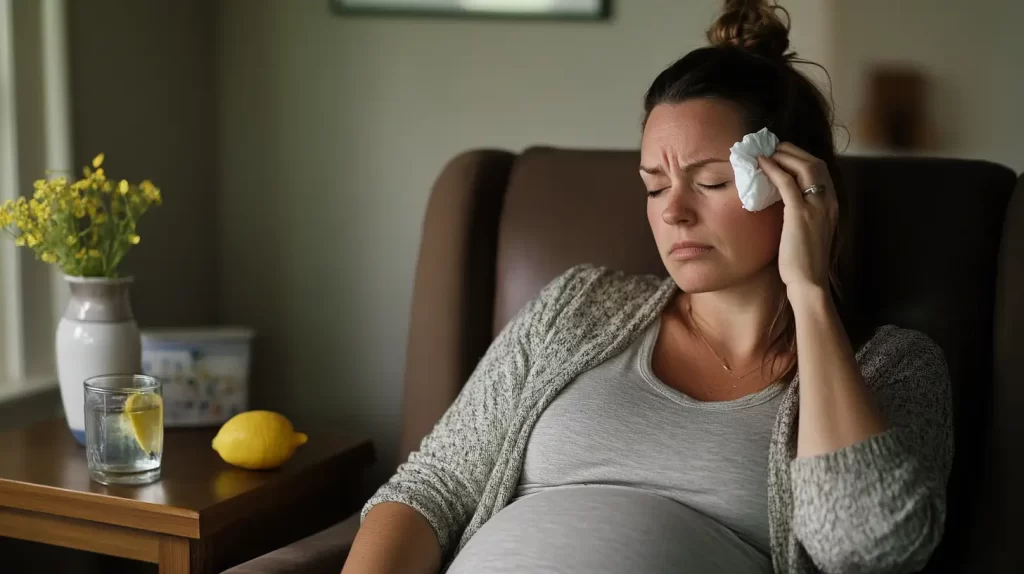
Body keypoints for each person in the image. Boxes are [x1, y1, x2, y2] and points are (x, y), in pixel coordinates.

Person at [343, 0, 953, 572]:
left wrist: (810, 294)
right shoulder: (575, 308)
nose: (673, 212)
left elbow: (870, 552)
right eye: (655, 186)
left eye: (711, 181)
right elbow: (434, 487)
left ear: (798, 186)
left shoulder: (893, 367)